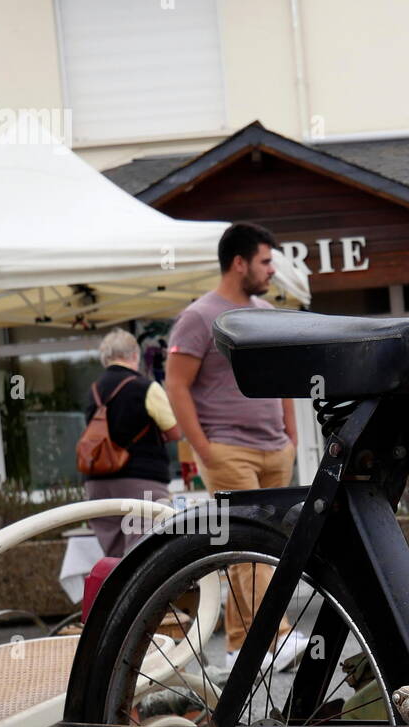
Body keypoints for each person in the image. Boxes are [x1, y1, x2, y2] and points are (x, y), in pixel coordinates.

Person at [165, 221, 305, 671]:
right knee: (252, 546)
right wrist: (203, 448)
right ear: (239, 262)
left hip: (274, 449)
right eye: (265, 261)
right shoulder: (199, 316)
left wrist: (291, 436)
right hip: (227, 450)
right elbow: (176, 386)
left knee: (254, 548)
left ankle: (238, 646)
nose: (271, 270)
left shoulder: (264, 312)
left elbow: (283, 377)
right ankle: (278, 636)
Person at [81, 329, 182, 558]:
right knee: (143, 556)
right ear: (134, 355)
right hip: (141, 481)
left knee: (114, 558)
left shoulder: (94, 391)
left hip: (98, 484)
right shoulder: (145, 387)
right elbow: (174, 431)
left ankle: (117, 594)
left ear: (105, 357)